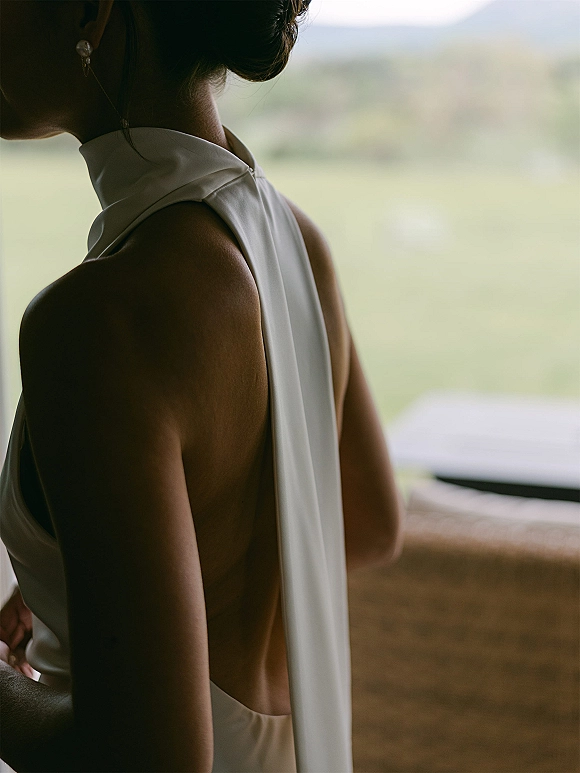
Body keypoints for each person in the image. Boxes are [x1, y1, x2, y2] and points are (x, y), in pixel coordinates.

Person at [0, 1, 404, 771]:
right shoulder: (290, 235)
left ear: (89, 8)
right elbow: (367, 519)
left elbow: (146, 756)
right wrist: (121, 578)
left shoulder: (97, 321)